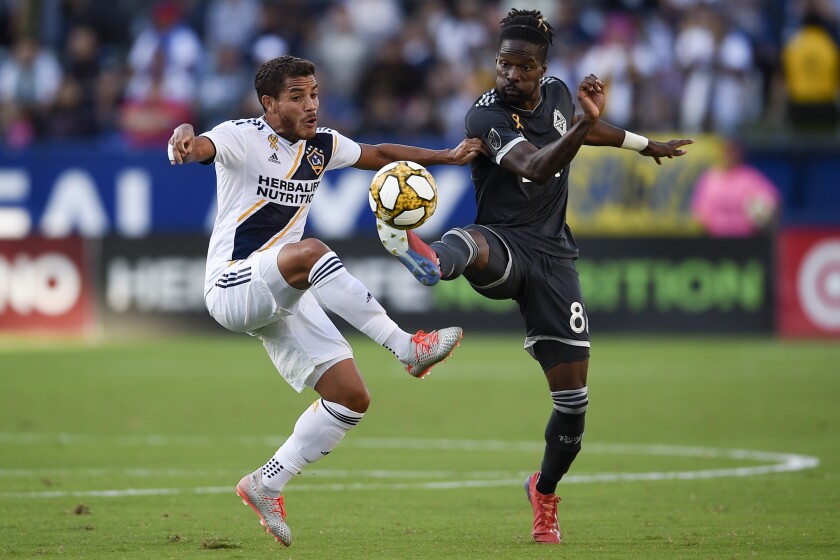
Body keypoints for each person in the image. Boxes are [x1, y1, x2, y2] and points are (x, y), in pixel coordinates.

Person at [376, 9, 692, 545]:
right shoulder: (485, 117)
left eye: (524, 66)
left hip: (555, 258)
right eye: (504, 64)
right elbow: (535, 166)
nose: (511, 75)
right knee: (473, 245)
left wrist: (644, 144)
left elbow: (579, 129)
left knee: (573, 407)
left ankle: (543, 492)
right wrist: (587, 125)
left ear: (543, 68)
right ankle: (427, 260)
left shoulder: (562, 96)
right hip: (504, 239)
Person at [167, 55, 485, 547]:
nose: (311, 104)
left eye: (314, 93)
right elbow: (200, 147)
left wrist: (447, 155)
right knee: (311, 252)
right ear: (269, 104)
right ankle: (407, 348)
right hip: (231, 285)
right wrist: (185, 136)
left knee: (350, 397)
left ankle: (266, 482)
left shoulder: (321, 145)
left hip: (280, 292)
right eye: (298, 96)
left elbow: (377, 154)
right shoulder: (240, 136)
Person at [691, 137, 780, 236]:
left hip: (744, 240)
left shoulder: (750, 178)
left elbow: (771, 200)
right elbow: (700, 213)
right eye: (726, 151)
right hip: (714, 240)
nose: (729, 155)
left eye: (733, 151)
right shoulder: (710, 178)